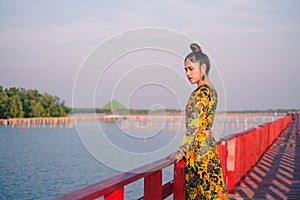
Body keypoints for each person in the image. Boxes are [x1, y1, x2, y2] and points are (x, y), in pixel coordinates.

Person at [168, 43, 228, 199]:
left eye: (191, 69)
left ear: (202, 68)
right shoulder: (212, 90)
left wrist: (181, 151)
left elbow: (194, 126)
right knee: (213, 192)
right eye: (185, 70)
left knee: (200, 194)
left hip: (198, 152)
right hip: (209, 149)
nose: (188, 73)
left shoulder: (200, 94)